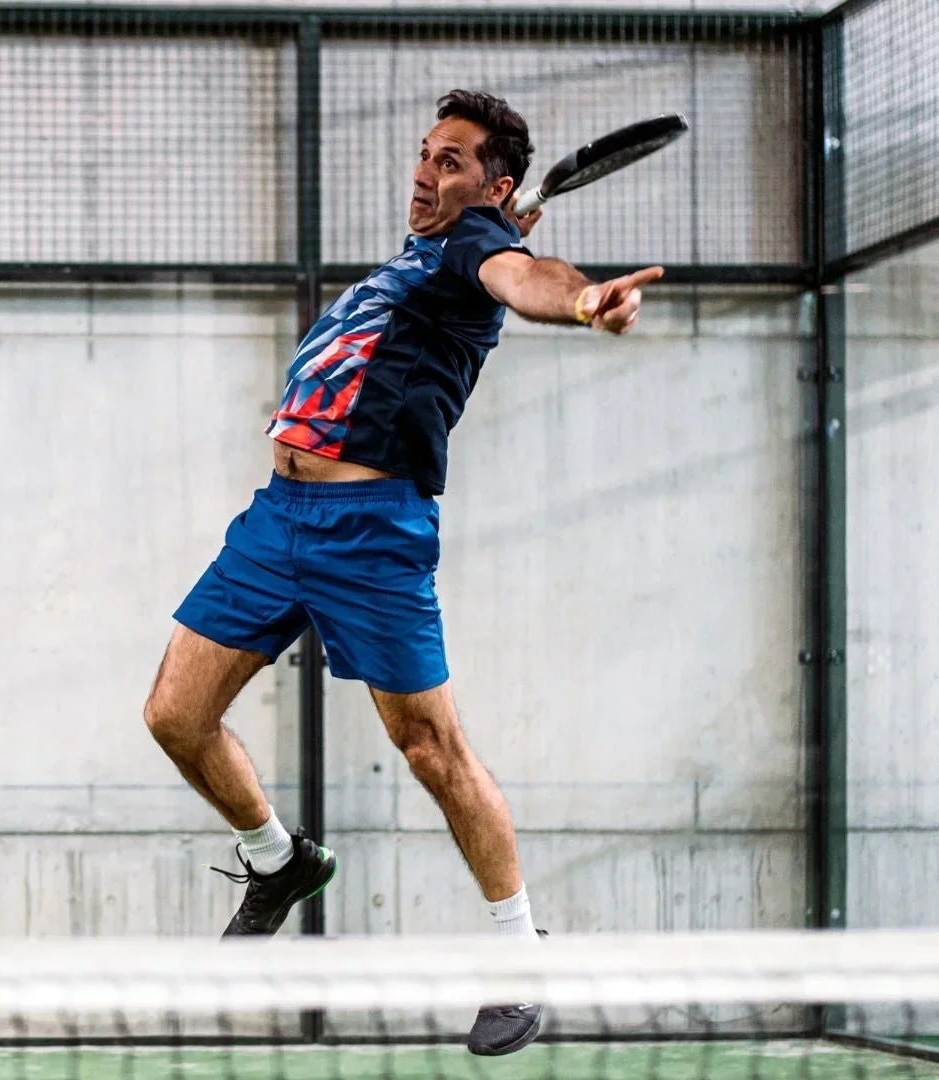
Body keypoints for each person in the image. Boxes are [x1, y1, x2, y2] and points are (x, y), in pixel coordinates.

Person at [142, 89, 662, 1058]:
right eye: (424, 154)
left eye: (452, 161)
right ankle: (278, 862)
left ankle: (520, 954)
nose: (426, 172)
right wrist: (493, 233)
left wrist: (585, 299)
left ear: (493, 186)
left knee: (432, 751)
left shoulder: (474, 249)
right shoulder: (431, 253)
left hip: (372, 529)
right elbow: (497, 255)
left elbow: (528, 277)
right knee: (175, 714)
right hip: (275, 517)